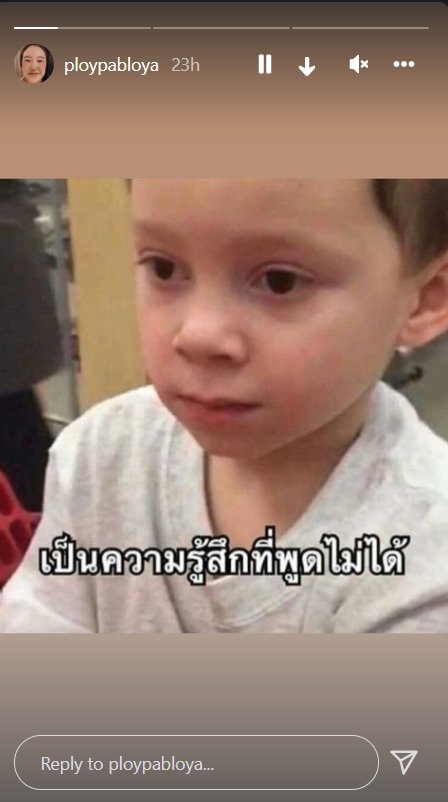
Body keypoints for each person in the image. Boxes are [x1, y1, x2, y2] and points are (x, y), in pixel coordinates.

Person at [1, 179, 448, 633]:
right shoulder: (100, 457)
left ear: (426, 299)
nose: (198, 335)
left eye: (280, 281)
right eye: (164, 268)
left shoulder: (425, 561)